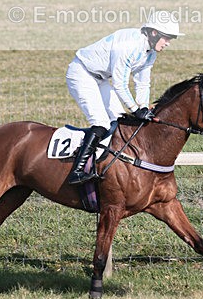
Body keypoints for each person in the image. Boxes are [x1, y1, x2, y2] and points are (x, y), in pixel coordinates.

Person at [65, 10, 184, 184]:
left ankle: (109, 167)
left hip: (101, 78)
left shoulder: (150, 52)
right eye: (167, 38)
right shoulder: (129, 45)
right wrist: (135, 110)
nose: (168, 43)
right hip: (82, 73)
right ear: (154, 33)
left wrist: (143, 106)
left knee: (118, 120)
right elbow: (120, 85)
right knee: (101, 123)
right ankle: (76, 171)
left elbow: (143, 82)